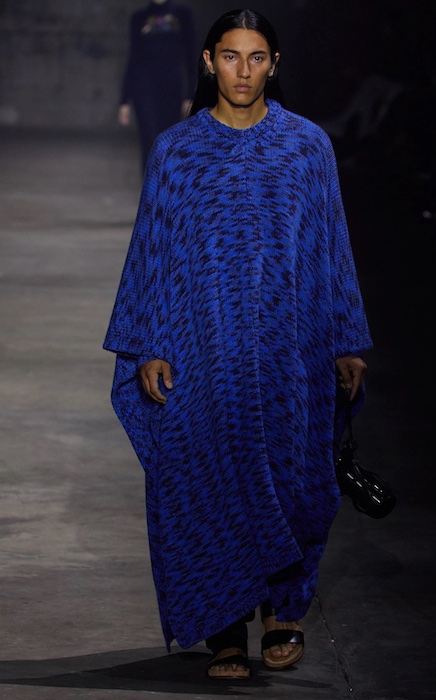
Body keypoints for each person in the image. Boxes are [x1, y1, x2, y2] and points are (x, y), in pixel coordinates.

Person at [104, 8, 372, 680]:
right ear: (207, 61)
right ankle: (225, 625)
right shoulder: (177, 150)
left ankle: (283, 611)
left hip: (292, 345)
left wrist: (346, 337)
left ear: (274, 65)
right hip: (202, 342)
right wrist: (149, 341)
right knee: (207, 476)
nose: (243, 71)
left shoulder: (307, 145)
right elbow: (153, 250)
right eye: (230, 56)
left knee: (293, 476)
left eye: (256, 58)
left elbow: (331, 243)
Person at [118, 0, 196, 172]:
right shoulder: (139, 18)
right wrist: (124, 99)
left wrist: (190, 95)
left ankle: (166, 186)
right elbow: (133, 59)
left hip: (172, 90)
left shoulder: (183, 15)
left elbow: (191, 56)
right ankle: (150, 187)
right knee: (149, 143)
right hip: (144, 90)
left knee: (169, 144)